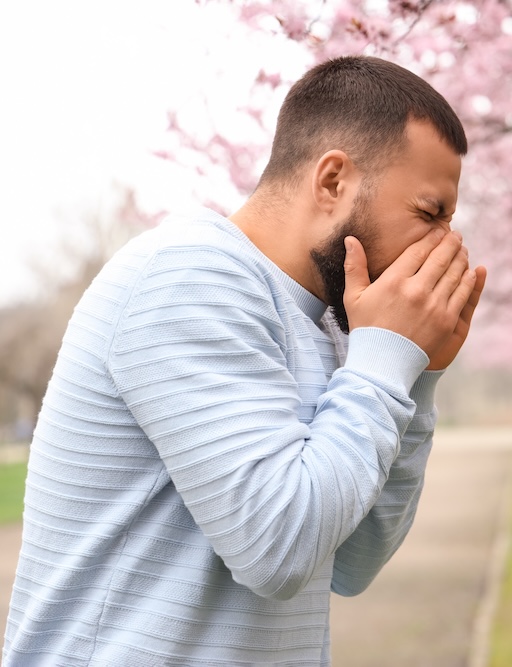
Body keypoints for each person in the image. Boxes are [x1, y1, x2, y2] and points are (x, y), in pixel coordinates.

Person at [2, 55, 486, 665]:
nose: (446, 245)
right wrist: (387, 359)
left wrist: (419, 376)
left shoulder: (339, 329)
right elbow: (279, 552)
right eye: (429, 212)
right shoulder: (189, 275)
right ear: (333, 180)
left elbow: (352, 562)